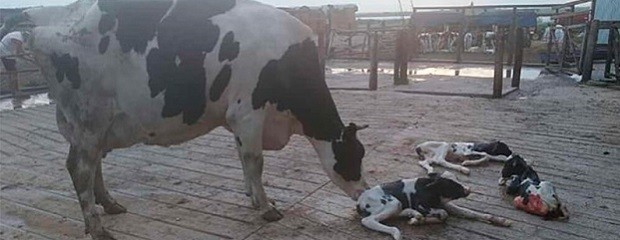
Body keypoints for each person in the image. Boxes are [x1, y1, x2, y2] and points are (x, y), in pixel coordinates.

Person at [1, 31, 26, 96]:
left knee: (11, 72)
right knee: (13, 72)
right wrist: (24, 56)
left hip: (4, 51)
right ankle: (16, 91)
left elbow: (21, 51)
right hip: (6, 53)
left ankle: (13, 91)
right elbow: (17, 51)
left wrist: (28, 56)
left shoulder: (18, 35)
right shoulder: (18, 38)